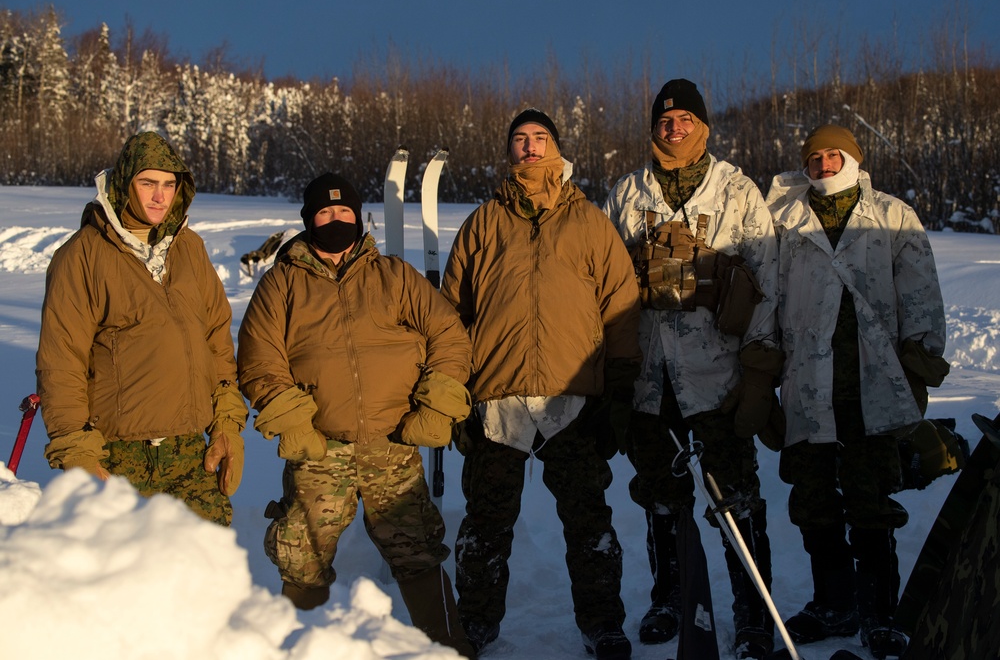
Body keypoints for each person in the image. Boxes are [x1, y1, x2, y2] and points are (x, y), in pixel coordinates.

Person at [236, 172, 476, 658]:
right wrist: (294, 423)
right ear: (309, 221)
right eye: (324, 214)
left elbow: (449, 337)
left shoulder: (393, 276)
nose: (335, 221)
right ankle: (302, 648)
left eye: (344, 212)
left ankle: (449, 649)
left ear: (357, 216)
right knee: (301, 556)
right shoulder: (281, 285)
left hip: (394, 443)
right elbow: (259, 361)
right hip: (321, 448)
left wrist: (437, 405)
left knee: (417, 553)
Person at [440, 108, 642, 660]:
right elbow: (452, 315)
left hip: (572, 399)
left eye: (540, 138)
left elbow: (621, 308)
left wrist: (619, 389)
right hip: (497, 400)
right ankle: (474, 627)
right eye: (520, 140)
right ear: (509, 153)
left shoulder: (591, 223)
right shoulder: (482, 224)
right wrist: (454, 393)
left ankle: (603, 625)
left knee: (589, 523)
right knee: (484, 525)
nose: (530, 147)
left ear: (556, 148)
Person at [602, 79, 782, 660]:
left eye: (684, 119)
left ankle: (753, 613)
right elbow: (604, 284)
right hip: (652, 377)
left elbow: (767, 285)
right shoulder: (628, 193)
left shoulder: (736, 190)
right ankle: (669, 598)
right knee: (660, 493)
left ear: (703, 127)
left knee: (738, 497)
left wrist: (757, 375)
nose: (672, 128)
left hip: (717, 374)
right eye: (663, 120)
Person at [765, 124, 948, 659]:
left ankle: (880, 612)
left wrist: (919, 363)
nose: (822, 165)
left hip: (874, 383)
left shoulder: (892, 215)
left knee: (871, 501)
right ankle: (834, 604)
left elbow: (921, 294)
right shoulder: (784, 221)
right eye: (814, 157)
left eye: (833, 155)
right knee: (814, 501)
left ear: (855, 159)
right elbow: (768, 299)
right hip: (808, 385)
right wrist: (763, 366)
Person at [36, 131, 245, 526]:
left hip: (191, 454)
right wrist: (77, 450)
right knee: (125, 582)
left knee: (208, 574)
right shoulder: (82, 256)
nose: (159, 196)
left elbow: (216, 342)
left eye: (169, 185)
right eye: (147, 183)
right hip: (119, 459)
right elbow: (61, 361)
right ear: (124, 183)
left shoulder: (190, 249)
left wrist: (227, 424)